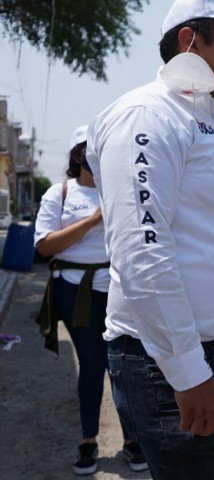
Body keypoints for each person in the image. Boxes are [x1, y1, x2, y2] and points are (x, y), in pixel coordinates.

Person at [85, 0, 214, 479]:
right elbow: (142, 254)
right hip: (173, 364)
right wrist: (189, 372)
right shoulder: (149, 116)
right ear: (190, 42)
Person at [34, 125, 148, 476]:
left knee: (123, 364)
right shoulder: (61, 193)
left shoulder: (121, 189)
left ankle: (132, 441)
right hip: (74, 289)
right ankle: (88, 440)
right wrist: (93, 220)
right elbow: (44, 246)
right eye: (90, 150)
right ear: (78, 155)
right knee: (93, 362)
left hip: (117, 288)